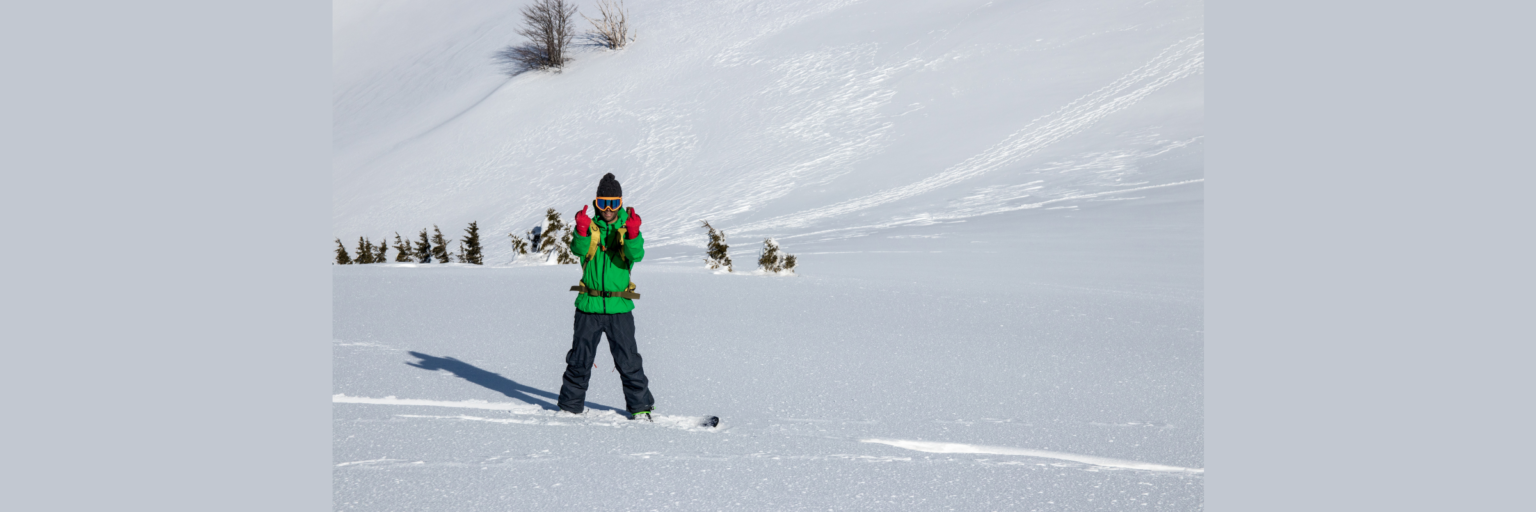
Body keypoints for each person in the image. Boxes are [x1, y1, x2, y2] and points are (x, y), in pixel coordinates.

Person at [557, 173, 655, 421]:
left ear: (620, 203)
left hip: (619, 308)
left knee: (629, 361)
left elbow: (637, 254)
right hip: (588, 306)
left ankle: (640, 409)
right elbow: (578, 249)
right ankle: (570, 408)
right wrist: (580, 229)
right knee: (579, 360)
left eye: (613, 203)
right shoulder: (589, 228)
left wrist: (633, 233)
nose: (608, 209)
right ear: (596, 203)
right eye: (603, 203)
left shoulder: (627, 227)